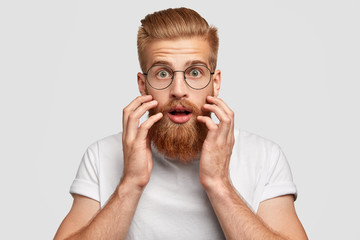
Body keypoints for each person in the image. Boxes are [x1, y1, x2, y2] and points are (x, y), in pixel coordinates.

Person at [54, 7, 308, 240]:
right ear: (143, 85)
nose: (178, 90)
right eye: (162, 73)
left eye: (194, 72)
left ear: (215, 82)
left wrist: (219, 184)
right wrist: (131, 183)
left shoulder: (264, 156)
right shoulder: (101, 155)